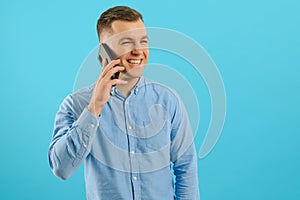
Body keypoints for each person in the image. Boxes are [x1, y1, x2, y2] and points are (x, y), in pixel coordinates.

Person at [48, 5, 200, 200]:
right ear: (105, 51)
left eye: (143, 42)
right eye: (127, 42)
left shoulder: (169, 100)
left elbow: (186, 166)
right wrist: (94, 108)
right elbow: (61, 169)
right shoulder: (76, 104)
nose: (138, 51)